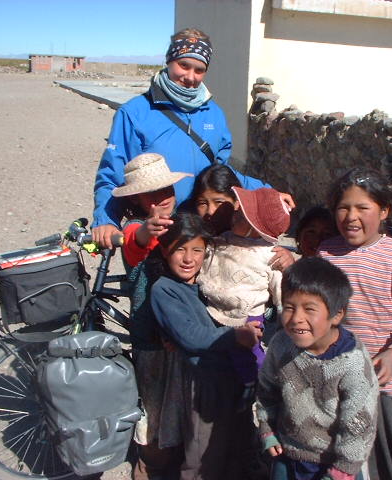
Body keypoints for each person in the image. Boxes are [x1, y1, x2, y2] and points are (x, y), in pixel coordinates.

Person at [92, 27, 292, 248]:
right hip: (154, 230)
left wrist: (266, 191)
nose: (190, 77)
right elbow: (113, 173)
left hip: (200, 230)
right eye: (184, 65)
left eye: (199, 70)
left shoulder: (214, 114)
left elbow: (220, 173)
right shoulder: (135, 113)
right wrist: (106, 220)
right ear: (169, 61)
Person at [317, 167, 392, 480]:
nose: (351, 217)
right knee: (338, 456)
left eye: (362, 208)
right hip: (337, 378)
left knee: (390, 459)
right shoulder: (327, 253)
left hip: (383, 383)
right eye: (343, 208)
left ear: (383, 211)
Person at [150, 212, 263, 480]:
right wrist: (235, 336)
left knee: (239, 445)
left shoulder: (211, 281)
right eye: (180, 249)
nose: (188, 259)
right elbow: (191, 336)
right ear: (165, 251)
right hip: (205, 384)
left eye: (197, 250)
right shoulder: (164, 290)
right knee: (203, 456)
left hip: (236, 377)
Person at [256, 256, 379, 480]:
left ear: (337, 314)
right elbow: (267, 390)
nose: (297, 318)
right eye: (289, 307)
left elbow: (360, 422)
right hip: (287, 454)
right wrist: (267, 428)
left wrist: (343, 470)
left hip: (333, 465)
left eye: (309, 309)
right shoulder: (281, 345)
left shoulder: (352, 363)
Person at [111, 152, 191, 480]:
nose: (161, 199)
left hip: (177, 332)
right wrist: (148, 230)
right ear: (137, 200)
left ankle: (170, 456)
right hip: (151, 337)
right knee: (154, 404)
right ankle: (149, 464)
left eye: (165, 190)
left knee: (177, 399)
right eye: (151, 194)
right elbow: (135, 240)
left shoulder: (180, 221)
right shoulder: (135, 228)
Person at [196, 186, 290, 403]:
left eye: (241, 216)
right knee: (218, 355)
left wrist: (285, 319)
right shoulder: (221, 241)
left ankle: (256, 385)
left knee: (248, 354)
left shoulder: (270, 254)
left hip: (248, 316)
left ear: (254, 228)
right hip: (212, 309)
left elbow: (280, 289)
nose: (234, 215)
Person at [192, 163, 295, 267]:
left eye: (219, 202)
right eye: (202, 203)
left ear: (237, 202)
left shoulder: (252, 239)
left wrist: (288, 259)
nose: (210, 211)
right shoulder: (192, 235)